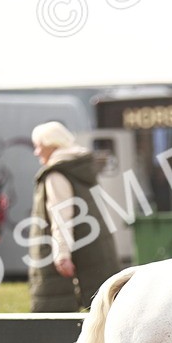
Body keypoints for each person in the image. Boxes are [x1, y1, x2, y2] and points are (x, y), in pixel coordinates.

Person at [28, 121, 122, 312]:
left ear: (51, 145)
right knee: (103, 310)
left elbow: (61, 217)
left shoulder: (56, 174)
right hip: (96, 249)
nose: (36, 152)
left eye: (38, 146)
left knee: (60, 320)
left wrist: (61, 254)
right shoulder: (80, 167)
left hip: (74, 252)